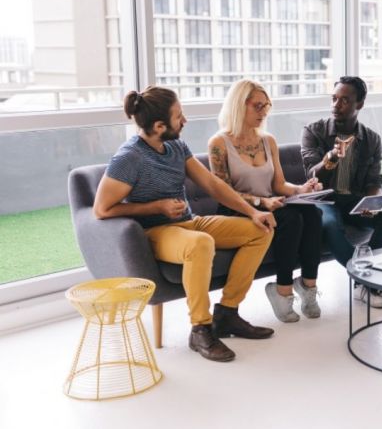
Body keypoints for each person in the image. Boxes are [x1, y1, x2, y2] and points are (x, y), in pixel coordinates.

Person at [93, 86, 277, 363]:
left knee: (260, 229)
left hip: (190, 222)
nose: (185, 120)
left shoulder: (176, 146)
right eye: (179, 116)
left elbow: (212, 184)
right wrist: (157, 207)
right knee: (200, 243)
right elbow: (101, 209)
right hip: (157, 231)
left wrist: (252, 212)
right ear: (158, 126)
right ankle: (200, 328)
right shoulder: (129, 158)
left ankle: (227, 314)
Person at [209, 79, 324, 324]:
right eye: (258, 106)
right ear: (240, 105)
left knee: (313, 213)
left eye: (267, 106)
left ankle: (308, 286)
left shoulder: (268, 140)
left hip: (269, 204)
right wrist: (261, 202)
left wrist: (303, 189)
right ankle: (282, 291)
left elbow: (279, 185)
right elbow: (223, 192)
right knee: (290, 219)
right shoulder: (219, 144)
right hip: (237, 210)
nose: (264, 112)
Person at [301, 76, 382, 308]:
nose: (336, 106)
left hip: (353, 201)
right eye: (334, 99)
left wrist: (373, 201)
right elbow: (312, 176)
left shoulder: (371, 139)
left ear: (359, 104)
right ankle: (372, 283)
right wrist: (331, 158)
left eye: (345, 101)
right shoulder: (314, 132)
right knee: (329, 224)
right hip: (323, 200)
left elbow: (374, 179)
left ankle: (368, 286)